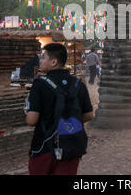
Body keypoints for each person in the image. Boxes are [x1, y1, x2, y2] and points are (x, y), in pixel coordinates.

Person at [26, 43, 94, 175]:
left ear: (53, 62)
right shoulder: (78, 84)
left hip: (44, 146)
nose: (40, 60)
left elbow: (31, 120)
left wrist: (26, 111)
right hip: (71, 145)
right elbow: (89, 115)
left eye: (43, 57)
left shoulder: (39, 84)